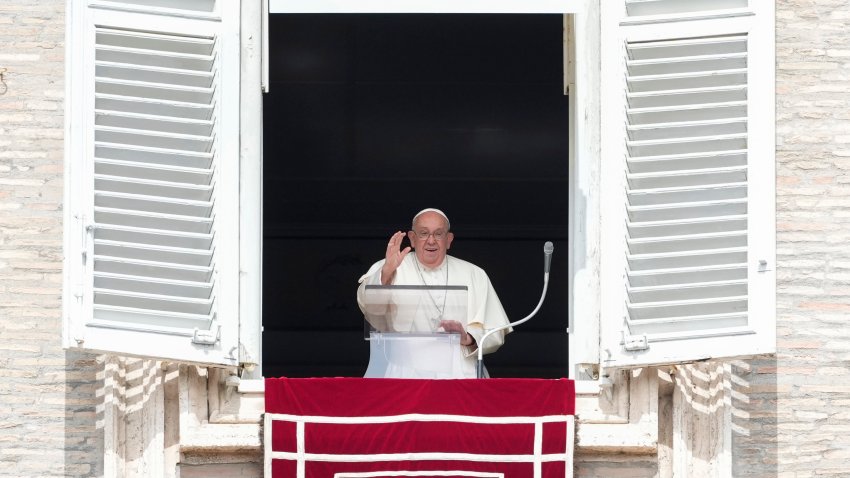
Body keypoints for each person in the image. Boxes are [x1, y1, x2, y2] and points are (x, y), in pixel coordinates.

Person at [357, 208, 511, 378]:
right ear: (412, 239)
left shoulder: (475, 274)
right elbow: (369, 308)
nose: (431, 241)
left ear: (449, 240)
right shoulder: (390, 267)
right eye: (423, 234)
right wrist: (386, 272)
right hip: (405, 372)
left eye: (438, 234)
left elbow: (495, 331)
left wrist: (467, 337)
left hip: (460, 372)